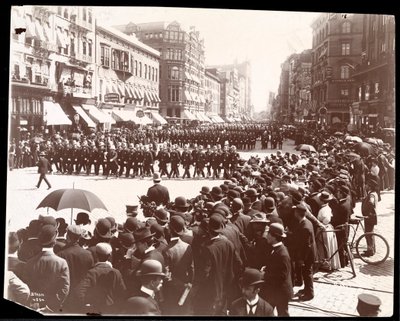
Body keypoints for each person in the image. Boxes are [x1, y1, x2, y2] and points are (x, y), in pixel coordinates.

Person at [22, 224, 70, 312]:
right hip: (52, 309)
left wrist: (33, 303)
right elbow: (64, 289)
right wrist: (50, 307)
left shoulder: (29, 262)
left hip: (34, 305)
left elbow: (25, 286)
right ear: (54, 241)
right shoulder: (61, 263)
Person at [76, 242, 127, 315]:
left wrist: (86, 305)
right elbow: (122, 292)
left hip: (95, 310)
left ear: (96, 254)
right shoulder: (116, 272)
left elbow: (79, 291)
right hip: (111, 310)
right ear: (109, 256)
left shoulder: (91, 272)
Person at [261, 223, 293, 316]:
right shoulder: (276, 249)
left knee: (282, 314)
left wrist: (264, 275)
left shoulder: (282, 254)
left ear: (274, 237)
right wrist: (267, 268)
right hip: (275, 289)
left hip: (281, 292)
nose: (266, 236)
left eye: (268, 234)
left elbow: (282, 275)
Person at [315, 191, 341, 271]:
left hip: (324, 229)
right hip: (328, 228)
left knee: (324, 246)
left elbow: (326, 220)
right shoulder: (328, 207)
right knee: (329, 246)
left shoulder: (323, 210)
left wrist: (321, 223)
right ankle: (330, 263)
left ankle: (326, 264)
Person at [361, 175, 379, 257]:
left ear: (370, 186)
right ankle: (371, 249)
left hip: (369, 217)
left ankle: (370, 251)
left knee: (368, 234)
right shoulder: (373, 193)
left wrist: (369, 212)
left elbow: (371, 202)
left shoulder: (371, 194)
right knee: (370, 233)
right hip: (371, 216)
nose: (365, 186)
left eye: (367, 185)